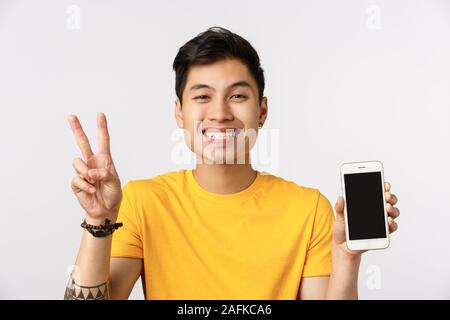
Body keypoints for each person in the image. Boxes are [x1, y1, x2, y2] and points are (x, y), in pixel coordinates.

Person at [64, 27, 400, 300]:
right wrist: (99, 219)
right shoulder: (143, 202)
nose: (221, 113)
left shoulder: (308, 209)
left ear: (262, 111)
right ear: (180, 112)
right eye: (202, 97)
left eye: (237, 96)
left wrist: (346, 258)